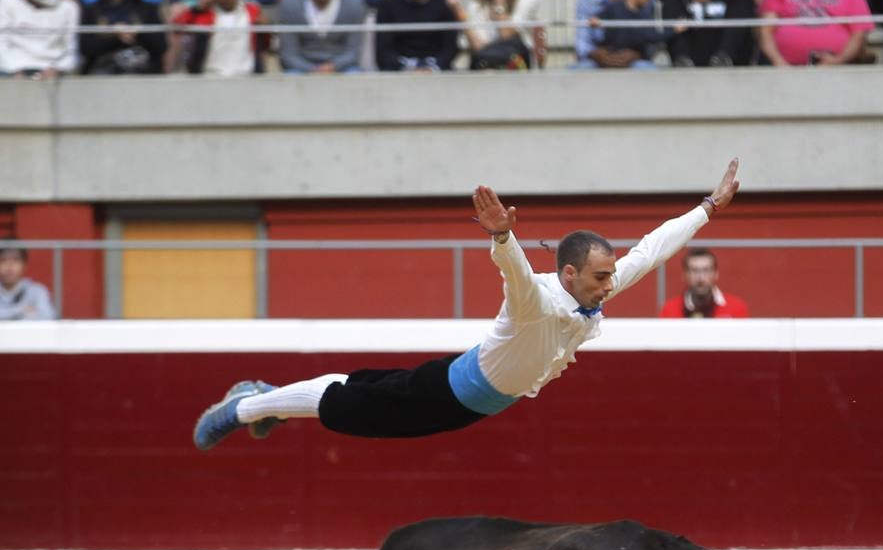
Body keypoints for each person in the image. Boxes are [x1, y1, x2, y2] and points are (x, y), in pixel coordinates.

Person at [192, 160, 742, 450]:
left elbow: (652, 249)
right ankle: (246, 406)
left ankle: (267, 402)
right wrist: (504, 239)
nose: (610, 285)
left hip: (473, 401)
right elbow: (517, 275)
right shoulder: (539, 299)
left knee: (359, 391)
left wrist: (708, 208)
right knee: (349, 409)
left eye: (609, 276)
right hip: (455, 389)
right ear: (570, 272)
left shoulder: (595, 285)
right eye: (601, 277)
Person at [758, 0, 873, 66]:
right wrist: (779, 62)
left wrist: (838, 61)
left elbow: (859, 34)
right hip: (785, 69)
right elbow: (766, 31)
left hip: (839, 69)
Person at [448, 0, 543, 71]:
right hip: (485, 66)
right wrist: (459, 13)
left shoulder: (527, 0)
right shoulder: (475, 6)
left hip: (518, 66)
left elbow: (507, 36)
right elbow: (479, 48)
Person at [277, 0, 365, 73]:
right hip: (301, 69)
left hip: (341, 68)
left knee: (355, 74)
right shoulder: (290, 5)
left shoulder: (353, 4)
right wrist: (312, 70)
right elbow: (289, 54)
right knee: (291, 75)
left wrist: (332, 67)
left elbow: (353, 52)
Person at [79, 0, 165, 74]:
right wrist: (116, 36)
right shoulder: (92, 9)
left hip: (142, 77)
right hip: (101, 77)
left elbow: (161, 46)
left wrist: (137, 32)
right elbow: (86, 49)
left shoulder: (147, 8)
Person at [171, 0, 264, 74]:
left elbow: (266, 42)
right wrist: (197, 8)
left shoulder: (252, 11)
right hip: (211, 76)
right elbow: (177, 27)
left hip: (246, 75)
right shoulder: (205, 12)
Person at [374, 0, 457, 72]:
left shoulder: (444, 0)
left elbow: (450, 48)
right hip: (398, 72)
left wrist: (432, 68)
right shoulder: (387, 3)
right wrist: (408, 68)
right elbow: (383, 51)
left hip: (438, 72)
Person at [0, 0, 79, 77]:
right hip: (13, 71)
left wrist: (56, 69)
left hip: (54, 74)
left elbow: (71, 51)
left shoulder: (69, 7)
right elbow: (2, 45)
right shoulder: (7, 1)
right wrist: (15, 71)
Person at [588, 0, 676, 69]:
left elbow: (652, 36)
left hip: (635, 60)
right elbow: (599, 17)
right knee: (582, 67)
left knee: (647, 68)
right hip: (611, 56)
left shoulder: (644, 15)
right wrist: (595, 20)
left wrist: (673, 30)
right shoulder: (613, 7)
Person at [658, 249, 749, 319]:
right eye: (694, 270)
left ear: (716, 274)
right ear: (685, 275)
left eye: (706, 270)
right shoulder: (669, 310)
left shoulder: (736, 308)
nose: (700, 278)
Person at [0, 243, 56, 320]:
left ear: (24, 264)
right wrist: (21, 310)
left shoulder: (37, 291)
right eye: (3, 260)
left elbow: (48, 317)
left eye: (15, 260)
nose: (9, 266)